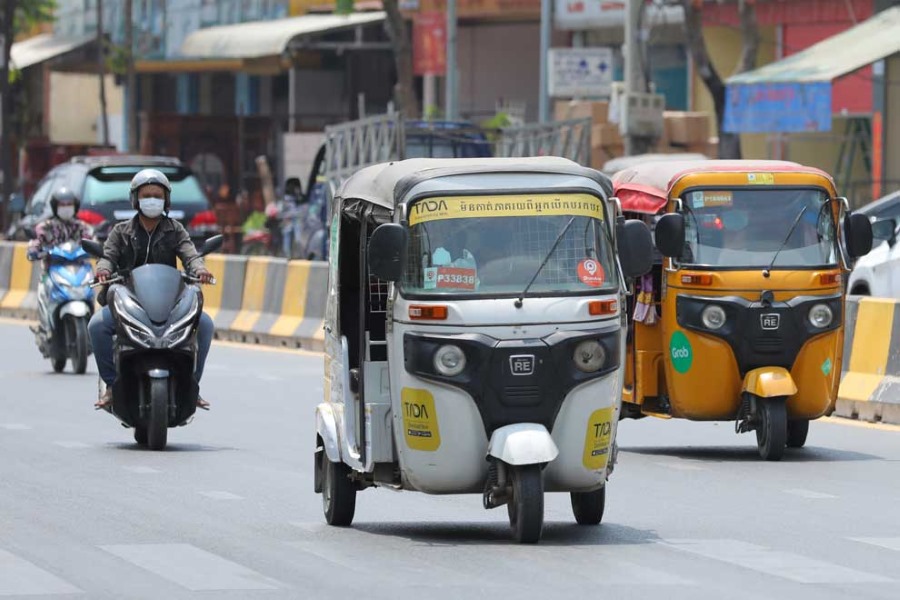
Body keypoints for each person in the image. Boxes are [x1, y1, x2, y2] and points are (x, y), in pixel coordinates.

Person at [89, 169, 215, 410]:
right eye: (146, 195)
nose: (152, 200)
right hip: (128, 301)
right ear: (136, 199)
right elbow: (107, 256)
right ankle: (111, 388)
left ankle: (192, 387)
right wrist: (103, 270)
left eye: (157, 195)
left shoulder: (175, 229)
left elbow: (190, 254)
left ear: (166, 199)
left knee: (206, 325)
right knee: (97, 326)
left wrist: (199, 269)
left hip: (168, 302)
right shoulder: (120, 231)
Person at [26, 188, 93, 269]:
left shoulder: (81, 227)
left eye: (69, 204)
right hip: (53, 268)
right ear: (55, 207)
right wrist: (33, 250)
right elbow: (37, 241)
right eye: (62, 205)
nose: (66, 208)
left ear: (75, 206)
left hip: (80, 267)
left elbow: (91, 241)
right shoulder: (46, 227)